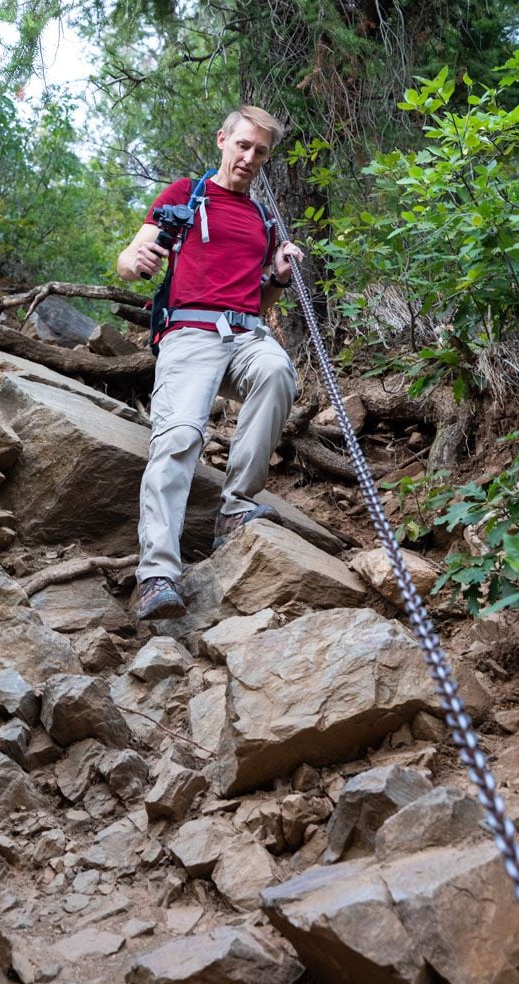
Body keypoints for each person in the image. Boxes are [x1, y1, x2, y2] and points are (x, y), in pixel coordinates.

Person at [117, 105, 304, 621]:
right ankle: (156, 575)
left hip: (244, 332)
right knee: (179, 437)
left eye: (259, 152)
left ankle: (236, 507)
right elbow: (131, 258)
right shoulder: (185, 194)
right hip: (189, 332)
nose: (248, 157)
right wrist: (137, 262)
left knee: (276, 371)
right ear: (223, 139)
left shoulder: (263, 220)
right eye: (242, 145)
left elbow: (258, 300)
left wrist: (280, 278)